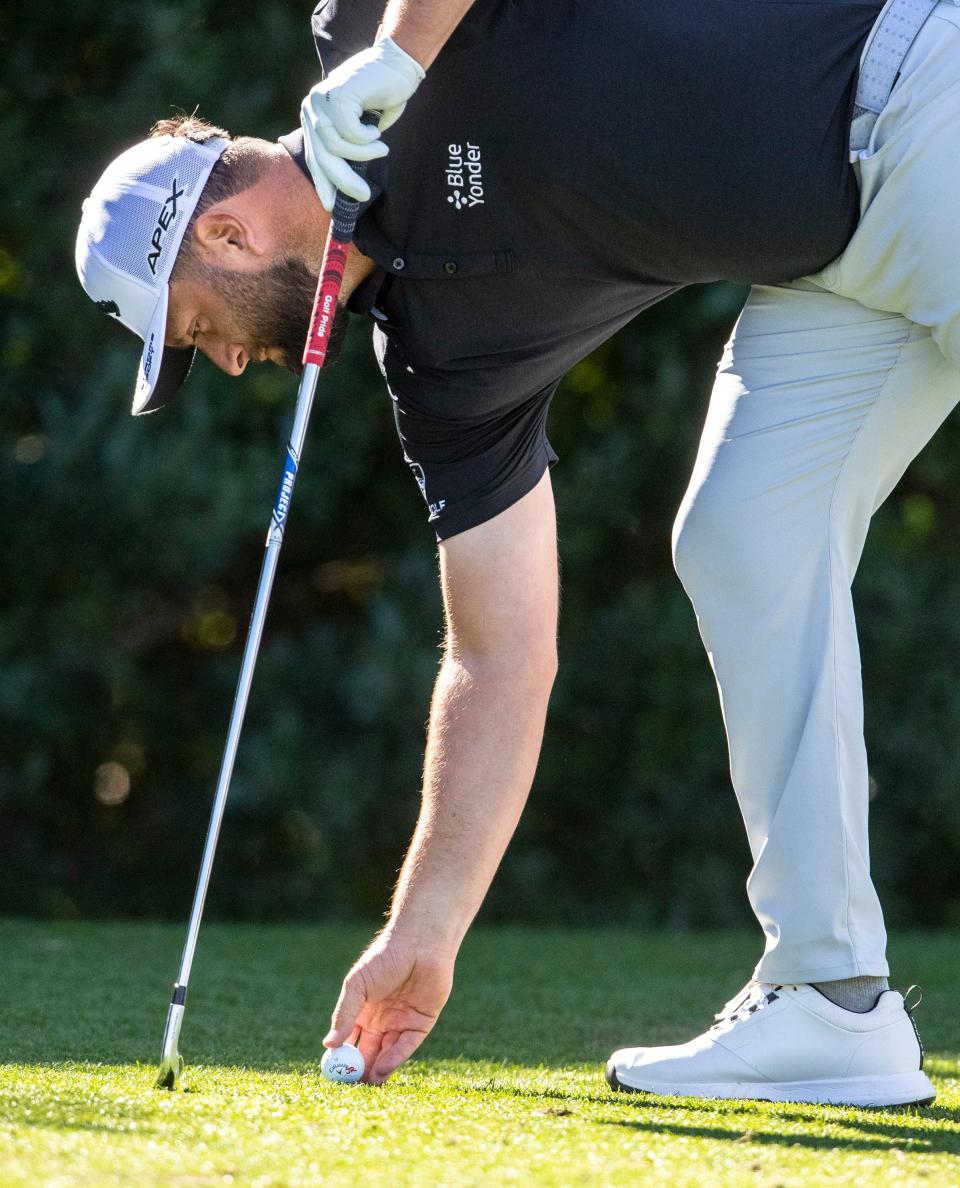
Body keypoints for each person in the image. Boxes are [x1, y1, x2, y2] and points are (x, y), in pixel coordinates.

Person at [74, 0, 960, 1105]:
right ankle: (832, 1004)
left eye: (199, 330)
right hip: (836, 265)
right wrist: (423, 930)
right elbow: (498, 658)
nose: (234, 362)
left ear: (224, 235)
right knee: (744, 537)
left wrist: (396, 56)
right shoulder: (444, 378)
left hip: (923, 90)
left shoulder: (371, 28)